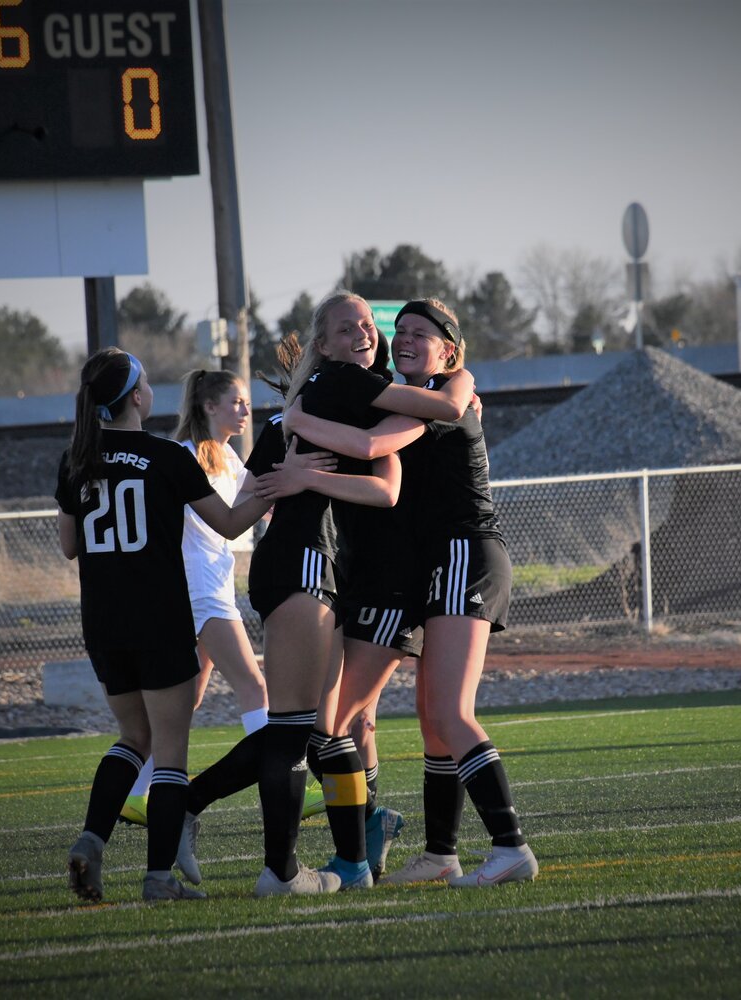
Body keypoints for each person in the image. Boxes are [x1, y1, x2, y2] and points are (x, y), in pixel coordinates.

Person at [176, 290, 466, 896]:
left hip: (325, 574)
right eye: (346, 327)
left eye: (367, 323)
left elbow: (233, 520)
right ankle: (273, 860)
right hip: (313, 567)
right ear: (324, 344)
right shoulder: (342, 390)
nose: (363, 332)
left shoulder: (304, 406)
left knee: (329, 730)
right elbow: (390, 475)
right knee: (303, 728)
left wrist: (295, 470)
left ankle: (353, 854)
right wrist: (457, 389)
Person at [284, 298, 538, 887]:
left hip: (462, 554)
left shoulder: (447, 393)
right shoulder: (415, 392)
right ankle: (442, 852)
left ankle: (509, 846)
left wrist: (297, 424)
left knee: (450, 712)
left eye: (419, 333)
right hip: (439, 566)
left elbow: (371, 446)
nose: (403, 338)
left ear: (449, 349)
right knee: (431, 718)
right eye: (399, 330)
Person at [55, 348, 277, 903]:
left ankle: (91, 838)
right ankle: (158, 878)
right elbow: (227, 524)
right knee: (171, 750)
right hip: (158, 616)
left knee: (135, 738)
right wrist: (278, 485)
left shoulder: (76, 459)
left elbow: (68, 545)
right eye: (146, 382)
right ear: (135, 397)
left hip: (103, 622)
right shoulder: (162, 456)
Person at [117, 369, 323, 827]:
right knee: (255, 686)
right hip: (198, 589)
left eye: (247, 402)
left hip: (214, 583)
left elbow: (242, 511)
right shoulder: (186, 456)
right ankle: (290, 785)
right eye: (236, 402)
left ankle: (136, 793)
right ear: (209, 407)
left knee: (189, 697)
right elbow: (220, 521)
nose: (245, 410)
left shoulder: (229, 457)